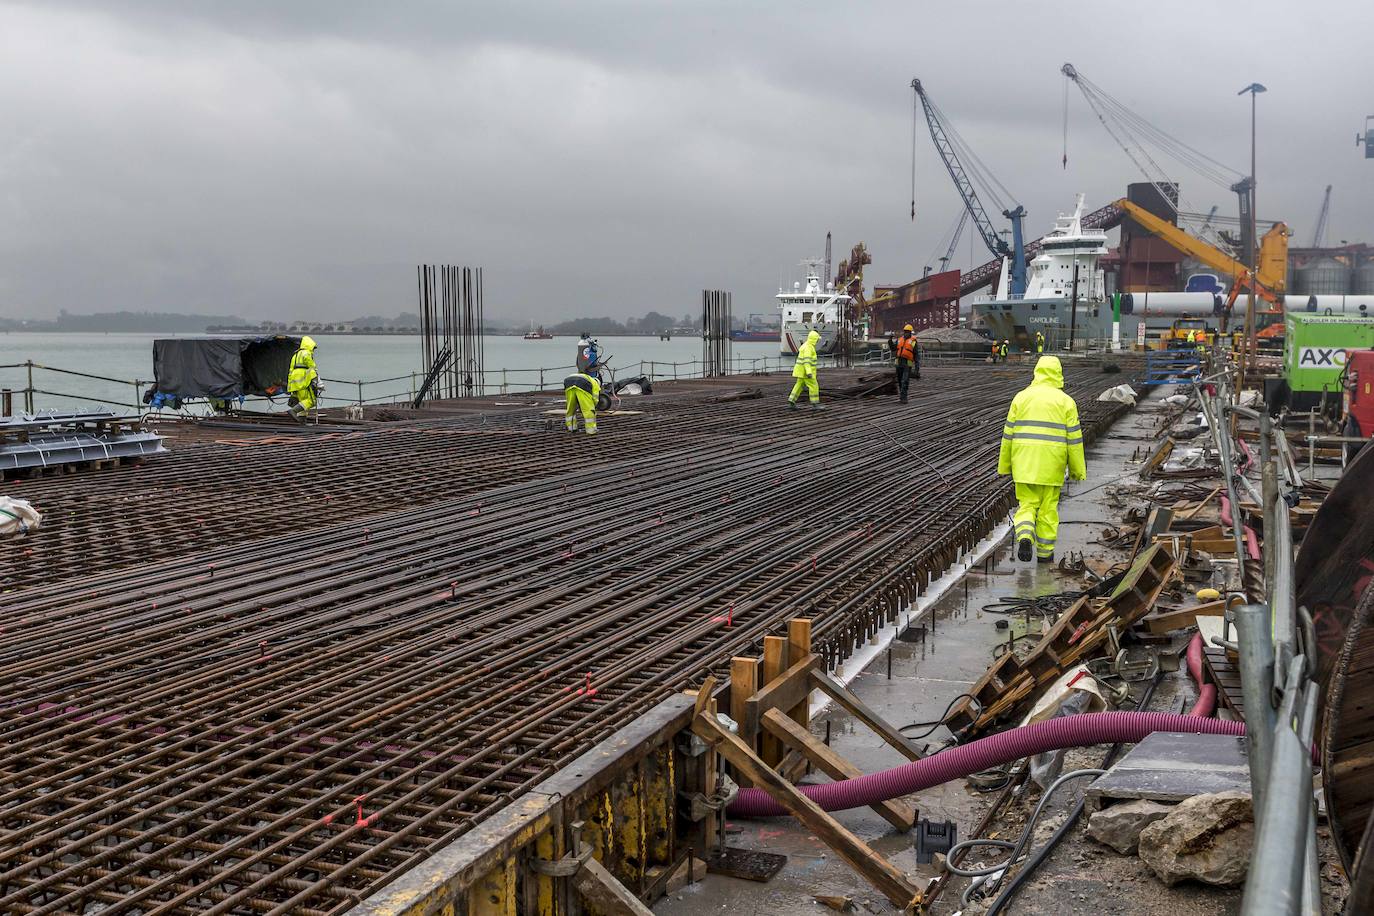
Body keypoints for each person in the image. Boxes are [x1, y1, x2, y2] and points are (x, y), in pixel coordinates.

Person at [998, 355, 1087, 563]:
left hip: (1024, 464)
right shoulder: (1066, 402)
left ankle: (1025, 536)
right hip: (1052, 466)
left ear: (1036, 372)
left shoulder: (1020, 398)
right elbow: (1074, 440)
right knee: (1048, 510)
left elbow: (1008, 435)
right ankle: (1045, 556)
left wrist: (1004, 465)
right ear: (1058, 374)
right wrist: (1077, 470)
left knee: (1027, 505)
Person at [287, 336, 321, 422]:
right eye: (313, 348)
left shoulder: (295, 355)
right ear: (309, 345)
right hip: (304, 381)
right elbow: (312, 367)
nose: (313, 351)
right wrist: (316, 380)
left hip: (295, 382)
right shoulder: (306, 353)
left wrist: (290, 386)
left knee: (302, 401)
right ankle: (294, 411)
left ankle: (302, 420)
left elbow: (290, 370)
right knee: (310, 400)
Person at [788, 328, 822, 410]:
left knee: (799, 385)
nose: (818, 341)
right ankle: (815, 404)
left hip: (801, 371)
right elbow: (806, 361)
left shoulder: (805, 345)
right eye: (817, 339)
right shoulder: (809, 348)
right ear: (814, 339)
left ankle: (792, 401)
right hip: (806, 372)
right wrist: (809, 372)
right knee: (814, 386)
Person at [888, 324, 920, 404]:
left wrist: (916, 369)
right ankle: (902, 396)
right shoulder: (899, 340)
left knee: (904, 381)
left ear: (910, 333)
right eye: (905, 332)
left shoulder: (913, 341)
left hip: (907, 364)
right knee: (899, 381)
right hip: (899, 363)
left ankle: (904, 397)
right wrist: (890, 341)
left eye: (907, 332)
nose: (906, 333)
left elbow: (916, 356)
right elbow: (893, 348)